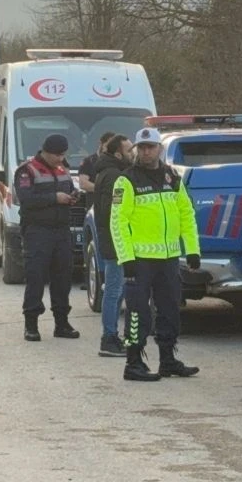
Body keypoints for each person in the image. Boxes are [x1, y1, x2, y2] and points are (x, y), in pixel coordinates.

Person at [111, 127, 202, 382]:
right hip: (139, 260)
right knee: (138, 311)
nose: (146, 151)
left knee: (170, 309)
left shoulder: (172, 177)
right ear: (136, 150)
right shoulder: (126, 180)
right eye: (142, 147)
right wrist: (126, 258)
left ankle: (168, 360)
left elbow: (186, 213)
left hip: (169, 258)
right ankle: (133, 363)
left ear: (159, 149)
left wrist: (192, 249)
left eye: (151, 146)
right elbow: (117, 222)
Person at [14, 133, 80, 342]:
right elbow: (26, 199)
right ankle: (31, 324)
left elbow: (68, 188)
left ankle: (62, 323)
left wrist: (73, 195)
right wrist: (54, 198)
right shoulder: (27, 170)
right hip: (37, 231)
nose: (60, 159)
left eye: (63, 154)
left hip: (61, 230)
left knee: (62, 278)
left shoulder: (63, 169)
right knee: (36, 277)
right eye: (57, 155)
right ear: (45, 151)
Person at [92, 134, 133, 357]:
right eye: (129, 151)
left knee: (116, 290)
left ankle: (112, 336)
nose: (132, 154)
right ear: (118, 153)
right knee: (114, 289)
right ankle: (109, 338)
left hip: (112, 238)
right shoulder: (114, 176)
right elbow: (112, 213)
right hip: (115, 239)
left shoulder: (109, 172)